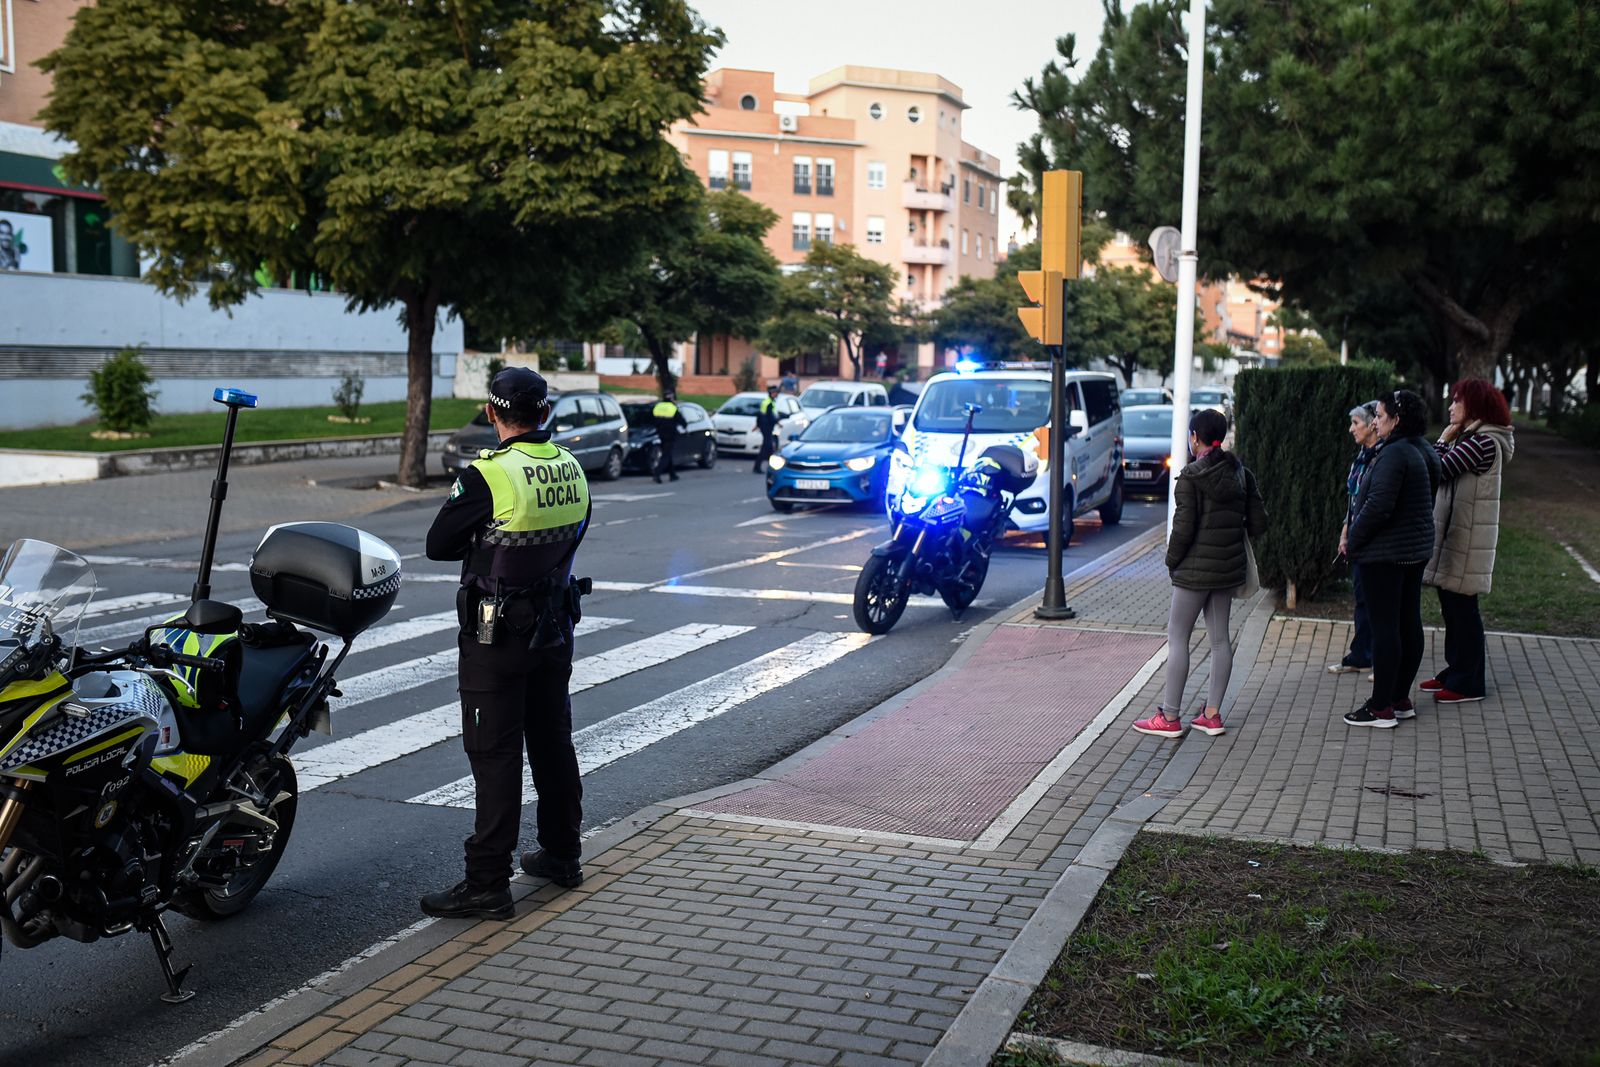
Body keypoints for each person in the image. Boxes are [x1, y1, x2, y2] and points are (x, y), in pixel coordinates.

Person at [421, 367, 590, 919]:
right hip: (554, 630)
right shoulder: (572, 467)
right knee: (551, 739)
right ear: (544, 413)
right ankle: (563, 853)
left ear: (493, 414)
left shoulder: (487, 476)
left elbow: (438, 545)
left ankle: (488, 882)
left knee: (493, 755)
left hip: (496, 638)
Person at [1133, 409, 1267, 739]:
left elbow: (1182, 531)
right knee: (1220, 638)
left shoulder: (1191, 477)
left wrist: (1171, 562)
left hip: (1193, 573)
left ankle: (1170, 717)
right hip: (1226, 570)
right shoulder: (1241, 473)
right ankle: (1212, 714)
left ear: (1194, 436)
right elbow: (1260, 522)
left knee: (1178, 636)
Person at [1343, 389, 1441, 728]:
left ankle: (1381, 706)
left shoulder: (1394, 454)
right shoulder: (1424, 449)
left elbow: (1377, 507)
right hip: (1413, 551)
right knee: (1407, 623)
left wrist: (1353, 540)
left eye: (1381, 417)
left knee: (1386, 629)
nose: (1375, 422)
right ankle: (1399, 698)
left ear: (1396, 420)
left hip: (1385, 555)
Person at [1421, 378, 1515, 704]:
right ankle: (1457, 670)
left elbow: (1436, 470)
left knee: (1463, 612)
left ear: (1473, 406)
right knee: (1454, 609)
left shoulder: (1482, 442)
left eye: (1456, 401)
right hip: (1459, 538)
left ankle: (1468, 683)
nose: (1450, 407)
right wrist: (1448, 438)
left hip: (1468, 540)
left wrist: (1444, 438)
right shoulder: (1472, 438)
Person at [1329, 401, 1380, 675]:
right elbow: (1353, 498)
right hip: (1357, 538)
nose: (1351, 429)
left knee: (1377, 602)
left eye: (1356, 423)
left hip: (1375, 541)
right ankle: (1361, 655)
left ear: (1373, 423)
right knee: (1361, 598)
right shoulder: (1361, 457)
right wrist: (1345, 530)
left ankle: (1380, 659)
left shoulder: (1381, 456)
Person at [651, 391, 687, 483]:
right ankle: (657, 473)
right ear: (671, 398)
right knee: (666, 455)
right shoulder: (672, 408)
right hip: (670, 434)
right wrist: (685, 426)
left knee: (667, 453)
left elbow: (652, 419)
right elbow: (682, 421)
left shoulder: (658, 406)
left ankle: (672, 474)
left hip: (660, 434)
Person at [753, 384, 781, 474]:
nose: (777, 394)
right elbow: (770, 417)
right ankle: (757, 467)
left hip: (765, 427)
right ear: (772, 393)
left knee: (769, 449)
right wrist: (777, 421)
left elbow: (759, 414)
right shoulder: (769, 403)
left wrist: (757, 424)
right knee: (766, 447)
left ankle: (771, 467)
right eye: (776, 393)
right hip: (767, 428)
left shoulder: (768, 401)